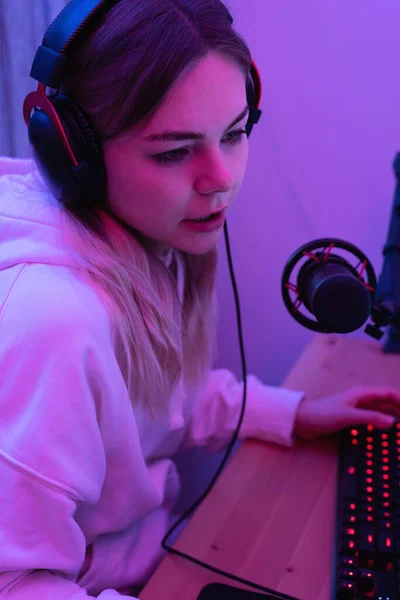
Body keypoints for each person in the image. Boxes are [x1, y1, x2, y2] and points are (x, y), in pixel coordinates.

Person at [1, 0, 400, 598]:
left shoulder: (156, 238)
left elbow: (159, 397)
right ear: (71, 156)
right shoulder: (55, 324)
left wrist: (291, 415)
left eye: (235, 133)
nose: (222, 179)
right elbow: (16, 581)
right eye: (173, 151)